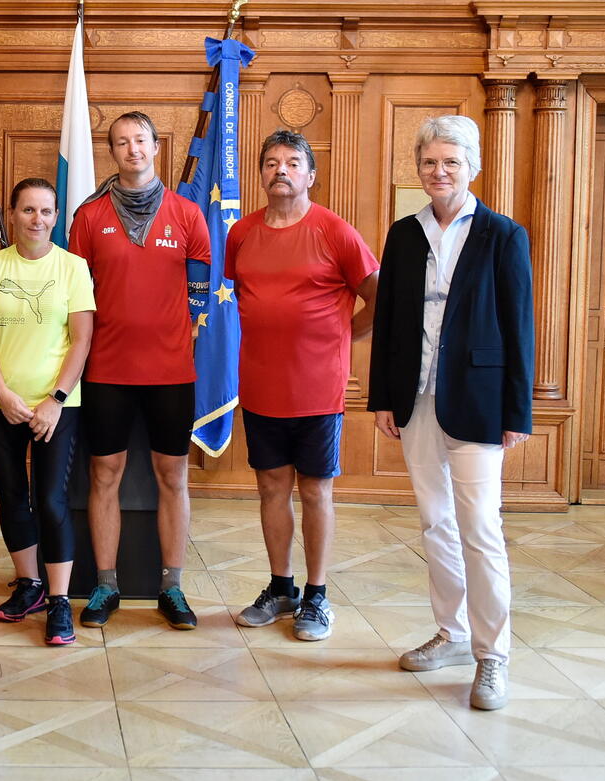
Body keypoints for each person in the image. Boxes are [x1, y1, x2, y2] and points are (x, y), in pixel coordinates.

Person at [369, 115, 533, 710]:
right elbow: (388, 322)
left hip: (479, 403)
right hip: (416, 400)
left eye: (451, 163)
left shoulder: (503, 235)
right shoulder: (404, 234)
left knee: (480, 530)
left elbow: (520, 329)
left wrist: (517, 408)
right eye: (429, 163)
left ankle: (494, 657)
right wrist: (382, 396)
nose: (438, 172)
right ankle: (454, 633)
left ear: (473, 167)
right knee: (435, 524)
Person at [227, 129, 379, 642]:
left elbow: (378, 296)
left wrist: (345, 333)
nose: (281, 171)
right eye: (271, 162)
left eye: (293, 162)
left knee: (314, 491)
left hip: (318, 389)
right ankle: (281, 587)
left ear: (310, 175)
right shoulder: (241, 234)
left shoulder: (335, 231)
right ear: (261, 174)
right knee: (271, 488)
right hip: (261, 386)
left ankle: (316, 596)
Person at [67, 111, 212, 631]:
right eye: (122, 142)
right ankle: (106, 583)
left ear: (156, 148)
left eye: (141, 141)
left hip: (172, 372)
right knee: (103, 474)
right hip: (105, 368)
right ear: (112, 152)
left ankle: (171, 586)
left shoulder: (188, 213)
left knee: (172, 476)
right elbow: (75, 297)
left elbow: (203, 298)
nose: (133, 149)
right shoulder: (87, 218)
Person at [0, 178, 96, 645]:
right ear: (12, 214)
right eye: (28, 210)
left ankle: (60, 602)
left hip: (56, 407)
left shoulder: (73, 268)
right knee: (11, 497)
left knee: (51, 501)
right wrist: (2, 393)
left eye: (46, 211)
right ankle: (30, 586)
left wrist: (55, 400)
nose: (37, 220)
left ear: (56, 216)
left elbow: (82, 339)